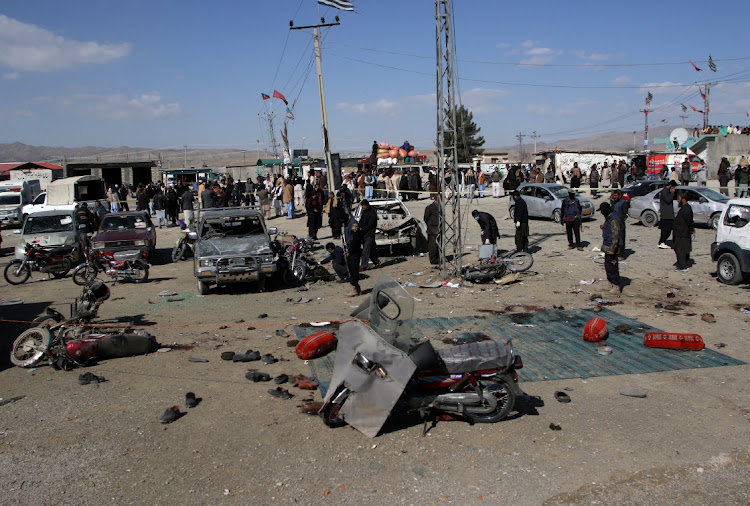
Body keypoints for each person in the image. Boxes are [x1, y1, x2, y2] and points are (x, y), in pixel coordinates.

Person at [598, 202, 621, 294]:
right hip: (607, 246)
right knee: (608, 266)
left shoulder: (613, 220)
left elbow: (615, 235)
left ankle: (616, 286)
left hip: (611, 248)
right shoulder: (609, 219)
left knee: (612, 267)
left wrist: (612, 248)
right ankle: (611, 283)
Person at [672, 191, 694, 270]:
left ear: (684, 199)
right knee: (680, 249)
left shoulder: (687, 209)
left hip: (683, 233)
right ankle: (683, 263)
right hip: (680, 233)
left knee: (681, 250)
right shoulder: (684, 208)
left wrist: (691, 229)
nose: (678, 201)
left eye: (679, 199)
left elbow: (689, 222)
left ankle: (682, 265)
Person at [358, 199, 381, 271]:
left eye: (364, 206)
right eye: (362, 206)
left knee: (365, 250)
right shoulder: (364, 212)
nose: (363, 207)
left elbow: (370, 224)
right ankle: (377, 262)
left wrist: (363, 229)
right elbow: (361, 221)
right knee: (370, 250)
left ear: (367, 205)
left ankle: (363, 266)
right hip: (364, 234)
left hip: (369, 234)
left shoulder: (372, 213)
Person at [344, 215, 362, 296]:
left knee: (353, 269)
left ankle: (354, 288)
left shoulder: (353, 224)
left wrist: (350, 250)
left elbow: (355, 239)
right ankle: (357, 288)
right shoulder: (348, 224)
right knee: (351, 268)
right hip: (351, 249)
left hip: (354, 250)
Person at [658, 181, 677, 248]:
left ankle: (662, 241)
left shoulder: (666, 191)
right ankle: (661, 242)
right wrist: (672, 193)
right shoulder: (664, 192)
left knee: (667, 229)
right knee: (666, 229)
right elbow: (668, 200)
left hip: (668, 214)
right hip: (666, 215)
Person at [611, 189, 627, 259]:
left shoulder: (623, 203)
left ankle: (621, 255)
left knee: (621, 239)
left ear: (620, 195)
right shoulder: (614, 202)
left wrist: (620, 220)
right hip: (614, 223)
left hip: (620, 224)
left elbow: (625, 214)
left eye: (616, 195)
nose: (614, 197)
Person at [423, 196, 440, 266]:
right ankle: (433, 259)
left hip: (439, 228)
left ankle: (438, 258)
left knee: (439, 244)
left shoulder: (440, 207)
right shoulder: (429, 207)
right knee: (432, 245)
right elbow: (425, 218)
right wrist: (431, 224)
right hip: (432, 229)